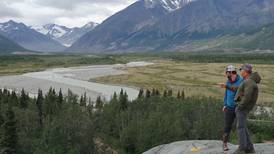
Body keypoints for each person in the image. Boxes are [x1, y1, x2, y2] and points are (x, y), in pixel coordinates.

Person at [233, 64, 261, 154]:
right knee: (243, 127)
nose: (240, 72)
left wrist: (240, 106)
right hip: (244, 108)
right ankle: (250, 148)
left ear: (245, 72)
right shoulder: (249, 81)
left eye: (241, 70)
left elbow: (247, 97)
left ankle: (242, 148)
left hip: (243, 108)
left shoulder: (248, 81)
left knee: (240, 127)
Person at [219, 65, 243, 151]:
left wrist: (226, 86)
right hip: (229, 107)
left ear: (234, 73)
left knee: (240, 126)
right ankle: (224, 144)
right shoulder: (228, 81)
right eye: (227, 75)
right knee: (227, 126)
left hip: (238, 107)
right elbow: (226, 93)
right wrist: (225, 104)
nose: (228, 76)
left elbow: (235, 89)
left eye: (229, 74)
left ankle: (242, 145)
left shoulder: (241, 81)